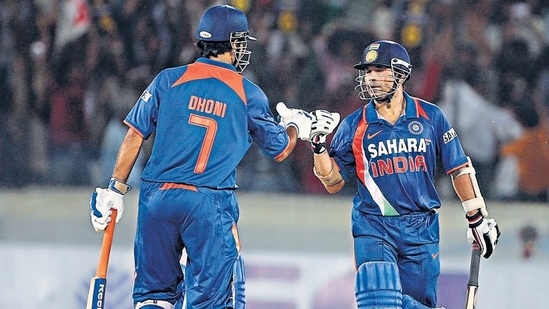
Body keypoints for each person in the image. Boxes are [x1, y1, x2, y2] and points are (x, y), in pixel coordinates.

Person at [87, 5, 323, 309]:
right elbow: (280, 151)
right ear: (235, 42)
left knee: (153, 298)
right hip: (208, 202)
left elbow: (134, 134)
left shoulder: (167, 79)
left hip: (157, 197)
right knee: (212, 301)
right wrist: (296, 126)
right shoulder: (247, 92)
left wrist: (115, 189)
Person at [309, 40, 500, 309]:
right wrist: (318, 144)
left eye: (379, 70)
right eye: (368, 71)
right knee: (378, 300)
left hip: (421, 230)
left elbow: (458, 168)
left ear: (400, 73)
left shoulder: (431, 117)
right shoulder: (354, 124)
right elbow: (332, 181)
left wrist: (477, 217)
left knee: (415, 301)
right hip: (373, 225)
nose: (371, 78)